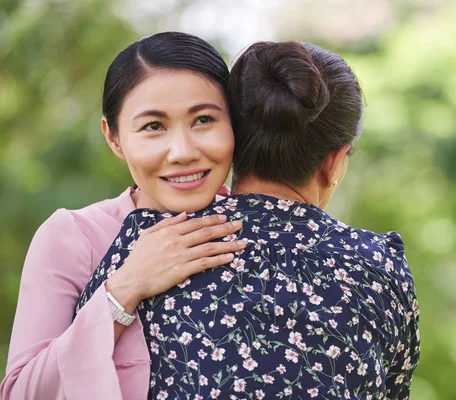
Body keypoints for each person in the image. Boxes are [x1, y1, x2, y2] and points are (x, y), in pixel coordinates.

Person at [77, 40, 420, 399]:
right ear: (335, 162)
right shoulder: (380, 269)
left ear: (235, 136)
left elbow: (76, 377)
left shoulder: (150, 244)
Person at [0, 32, 247, 400]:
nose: (182, 152)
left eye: (203, 120)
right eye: (153, 126)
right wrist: (125, 288)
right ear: (114, 138)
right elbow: (22, 393)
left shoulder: (264, 229)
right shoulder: (72, 236)